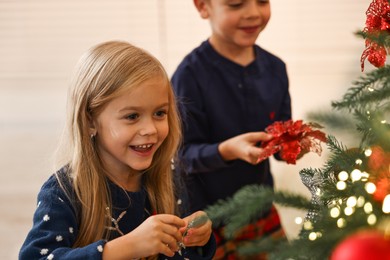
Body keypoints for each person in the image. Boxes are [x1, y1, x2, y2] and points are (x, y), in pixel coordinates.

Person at [19, 41, 216, 260]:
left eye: (160, 113)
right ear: (89, 121)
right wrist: (128, 247)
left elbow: (182, 253)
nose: (150, 129)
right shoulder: (64, 191)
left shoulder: (168, 177)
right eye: (132, 116)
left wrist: (200, 238)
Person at [171, 0, 291, 258]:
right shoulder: (189, 76)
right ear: (203, 7)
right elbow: (180, 156)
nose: (253, 13)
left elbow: (281, 141)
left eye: (262, 1)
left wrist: (293, 146)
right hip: (209, 221)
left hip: (260, 210)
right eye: (236, 4)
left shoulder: (276, 69)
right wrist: (226, 150)